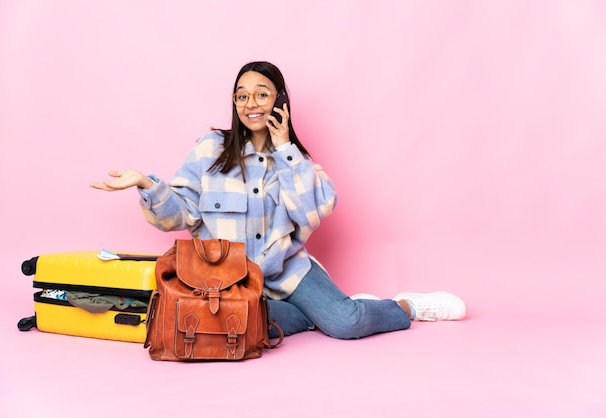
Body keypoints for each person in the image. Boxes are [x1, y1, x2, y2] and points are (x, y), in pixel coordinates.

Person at [91, 61, 466, 339]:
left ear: (279, 101)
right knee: (240, 330)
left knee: (345, 325)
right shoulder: (211, 150)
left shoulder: (294, 159)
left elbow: (313, 212)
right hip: (230, 282)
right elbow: (180, 214)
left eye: (262, 93)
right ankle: (318, 312)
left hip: (288, 271)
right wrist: (147, 184)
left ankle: (404, 306)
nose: (250, 102)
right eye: (242, 95)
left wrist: (285, 148)